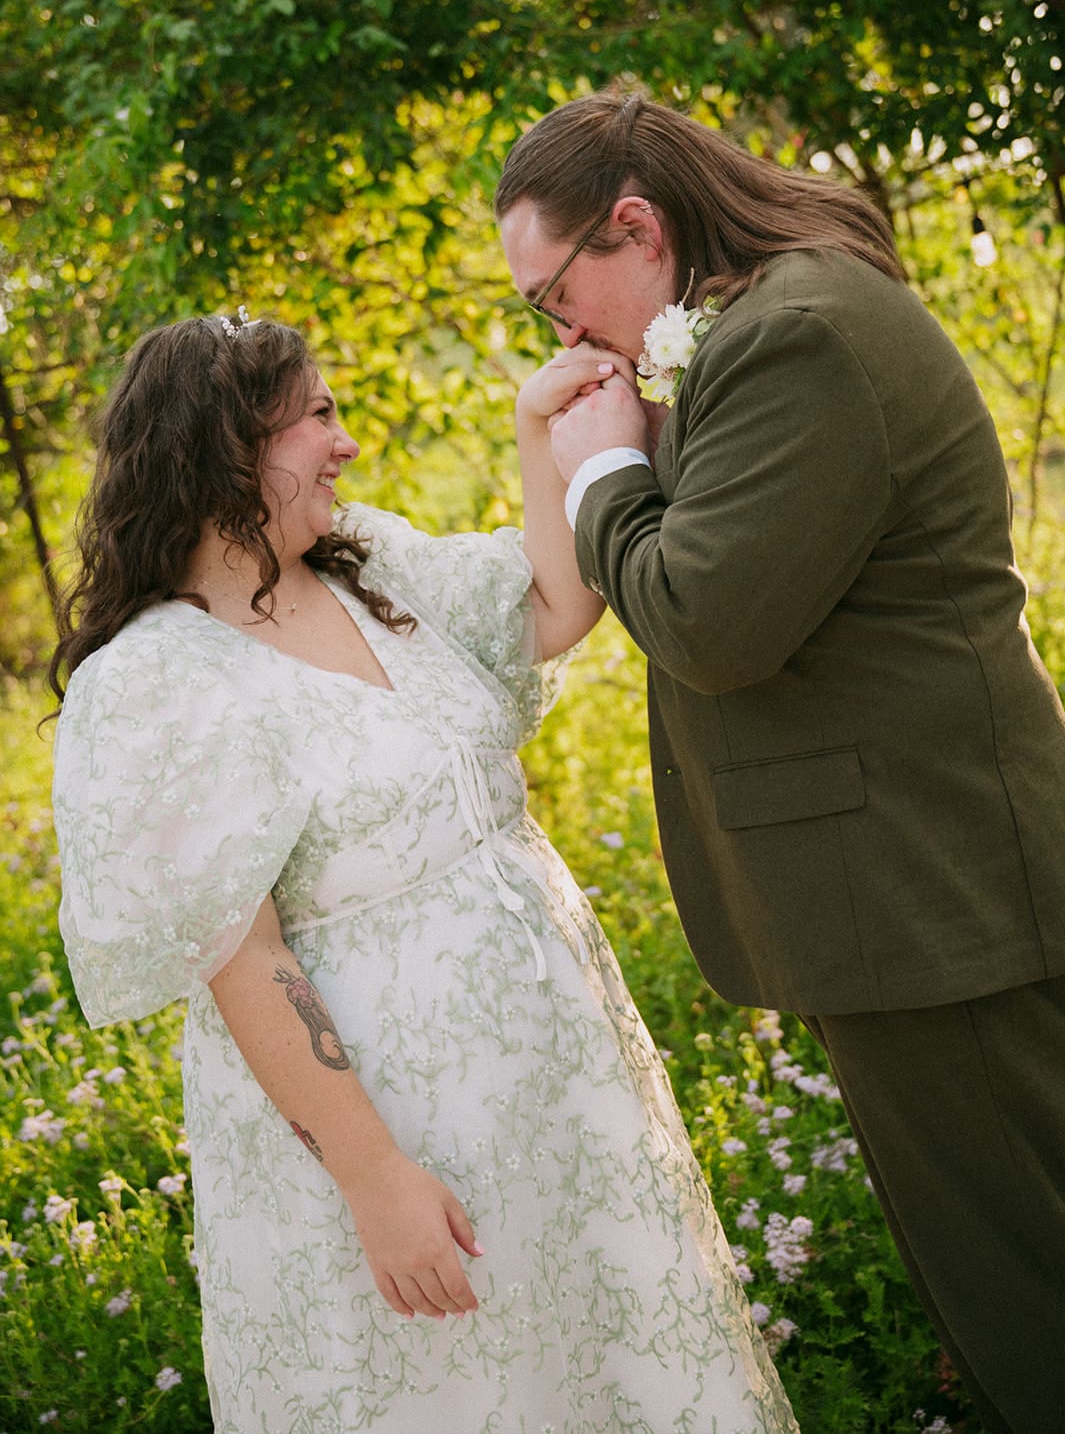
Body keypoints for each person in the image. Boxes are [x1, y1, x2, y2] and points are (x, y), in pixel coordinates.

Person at [49, 311, 798, 1433]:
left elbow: (552, 604)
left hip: (554, 1093)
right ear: (221, 452)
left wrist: (537, 427)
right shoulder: (155, 679)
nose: (345, 444)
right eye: (316, 417)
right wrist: (376, 1181)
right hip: (392, 1132)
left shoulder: (369, 568)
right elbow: (241, 954)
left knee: (609, 1367)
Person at [495, 88, 1065, 1434]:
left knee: (1027, 1294)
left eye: (552, 296)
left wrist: (598, 477)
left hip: (936, 893)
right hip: (913, 895)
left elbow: (706, 622)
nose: (560, 332)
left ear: (633, 226)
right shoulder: (762, 320)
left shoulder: (796, 334)